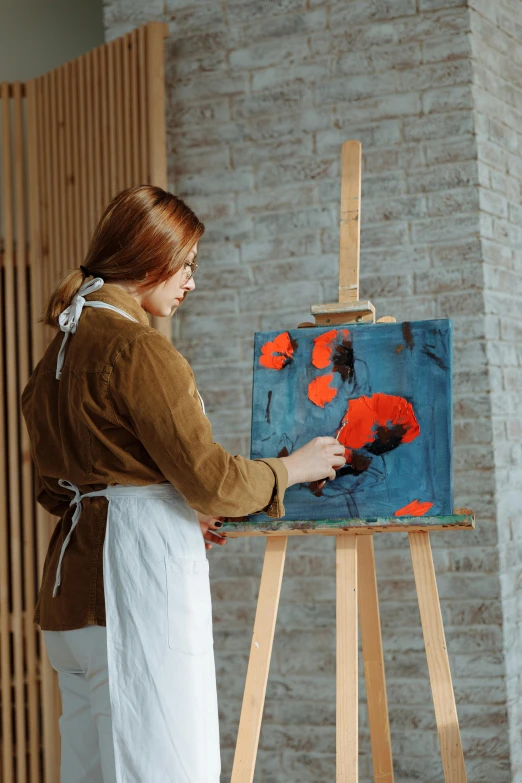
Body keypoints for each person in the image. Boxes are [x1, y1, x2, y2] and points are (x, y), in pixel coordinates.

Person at [20, 184, 346, 783]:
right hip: (133, 592)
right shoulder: (138, 350)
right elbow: (212, 479)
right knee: (163, 769)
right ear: (152, 256)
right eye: (187, 264)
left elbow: (55, 490)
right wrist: (291, 469)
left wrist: (162, 509)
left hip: (71, 604)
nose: (191, 281)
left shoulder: (56, 357)